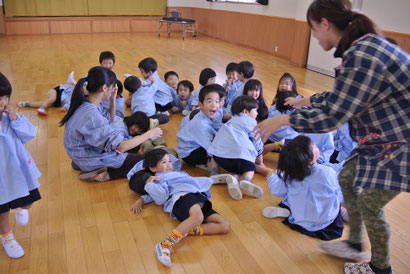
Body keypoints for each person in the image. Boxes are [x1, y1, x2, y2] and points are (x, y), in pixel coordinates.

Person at [254, 0, 410, 273]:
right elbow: (345, 95)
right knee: (347, 178)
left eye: (313, 29)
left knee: (371, 206)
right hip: (384, 138)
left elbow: (334, 117)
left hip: (400, 144)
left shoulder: (362, 54)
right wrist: (306, 101)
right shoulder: (361, 48)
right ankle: (354, 242)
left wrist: (285, 118)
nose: (313, 36)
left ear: (324, 24)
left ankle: (380, 268)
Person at [128, 148, 231, 267]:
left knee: (224, 225)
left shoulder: (174, 173)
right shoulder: (157, 179)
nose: (169, 164)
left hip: (197, 197)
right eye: (164, 162)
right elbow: (159, 197)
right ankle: (165, 244)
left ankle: (187, 229)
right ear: (153, 168)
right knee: (198, 217)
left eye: (169, 161)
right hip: (182, 197)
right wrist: (147, 189)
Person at [60, 66, 162, 181]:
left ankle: (82, 164)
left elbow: (110, 120)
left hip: (83, 152)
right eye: (113, 87)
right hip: (90, 156)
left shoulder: (88, 102)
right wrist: (149, 134)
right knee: (146, 161)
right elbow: (121, 147)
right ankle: (102, 173)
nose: (115, 90)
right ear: (104, 88)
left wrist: (113, 99)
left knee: (135, 145)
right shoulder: (91, 115)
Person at [264, 136, 344, 240]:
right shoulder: (327, 172)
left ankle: (288, 210)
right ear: (310, 160)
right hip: (326, 223)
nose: (316, 147)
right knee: (335, 197)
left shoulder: (289, 177)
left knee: (290, 195)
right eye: (315, 146)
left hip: (300, 220)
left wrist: (272, 178)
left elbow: (276, 190)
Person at [0, 72, 41, 258]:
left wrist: (16, 119)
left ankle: (20, 206)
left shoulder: (10, 117)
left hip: (17, 169)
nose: (1, 103)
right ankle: (7, 237)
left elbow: (30, 134)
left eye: (4, 98)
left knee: (28, 202)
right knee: (1, 209)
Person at [208, 96, 268, 200]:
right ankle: (246, 180)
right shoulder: (251, 122)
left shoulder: (229, 122)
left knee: (214, 153)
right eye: (255, 110)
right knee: (250, 168)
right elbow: (257, 141)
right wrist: (260, 160)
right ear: (245, 111)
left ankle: (214, 171)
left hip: (221, 159)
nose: (257, 113)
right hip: (242, 158)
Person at [176, 85, 219, 168]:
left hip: (194, 145)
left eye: (217, 101)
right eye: (209, 101)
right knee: (216, 151)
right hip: (189, 154)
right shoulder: (200, 123)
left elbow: (212, 132)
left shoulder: (204, 115)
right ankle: (203, 163)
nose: (214, 105)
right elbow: (209, 148)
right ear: (200, 104)